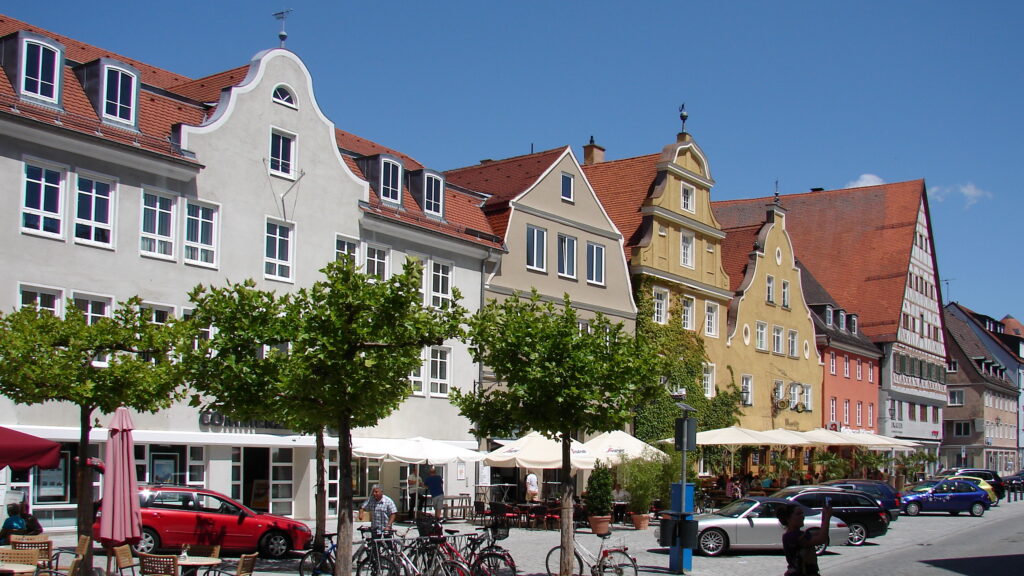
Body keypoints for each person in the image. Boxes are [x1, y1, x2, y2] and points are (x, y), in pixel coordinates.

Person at [776, 501, 832, 576]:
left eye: (802, 513)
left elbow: (820, 534)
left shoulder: (796, 534)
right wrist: (827, 517)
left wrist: (824, 517)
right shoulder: (793, 536)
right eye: (798, 514)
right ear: (788, 519)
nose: (802, 516)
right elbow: (821, 539)